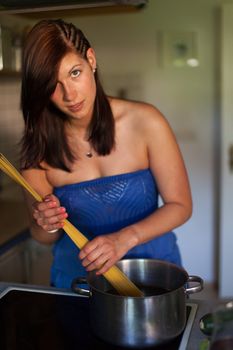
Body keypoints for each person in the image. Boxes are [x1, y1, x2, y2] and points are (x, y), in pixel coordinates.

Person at [20, 19, 192, 289]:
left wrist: (124, 238)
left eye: (75, 73)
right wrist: (47, 223)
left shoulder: (146, 121)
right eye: (53, 84)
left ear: (91, 60)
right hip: (77, 284)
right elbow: (42, 236)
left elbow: (180, 206)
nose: (69, 94)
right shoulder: (38, 147)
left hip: (154, 275)